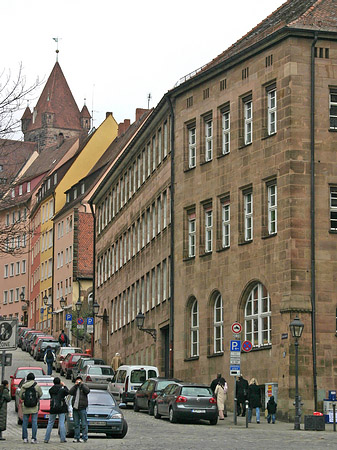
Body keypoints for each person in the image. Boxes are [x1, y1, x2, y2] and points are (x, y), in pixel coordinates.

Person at [19, 372, 43, 444]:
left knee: (25, 422)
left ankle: (25, 438)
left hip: (26, 406)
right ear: (33, 378)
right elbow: (40, 394)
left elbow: (20, 396)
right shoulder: (36, 386)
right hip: (34, 406)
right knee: (34, 422)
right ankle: (33, 438)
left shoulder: (24, 386)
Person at [44, 377, 69, 443]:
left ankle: (46, 438)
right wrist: (64, 385)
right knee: (61, 423)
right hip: (61, 408)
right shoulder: (62, 390)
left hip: (53, 407)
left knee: (50, 423)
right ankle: (63, 438)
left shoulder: (51, 390)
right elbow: (68, 392)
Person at [69, 376, 90, 443]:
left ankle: (84, 437)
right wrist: (75, 386)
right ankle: (76, 437)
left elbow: (87, 391)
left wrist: (82, 385)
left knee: (84, 424)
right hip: (75, 408)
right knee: (76, 424)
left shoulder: (84, 387)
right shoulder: (75, 388)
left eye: (79, 381)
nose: (78, 382)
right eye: (77, 381)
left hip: (82, 408)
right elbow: (70, 392)